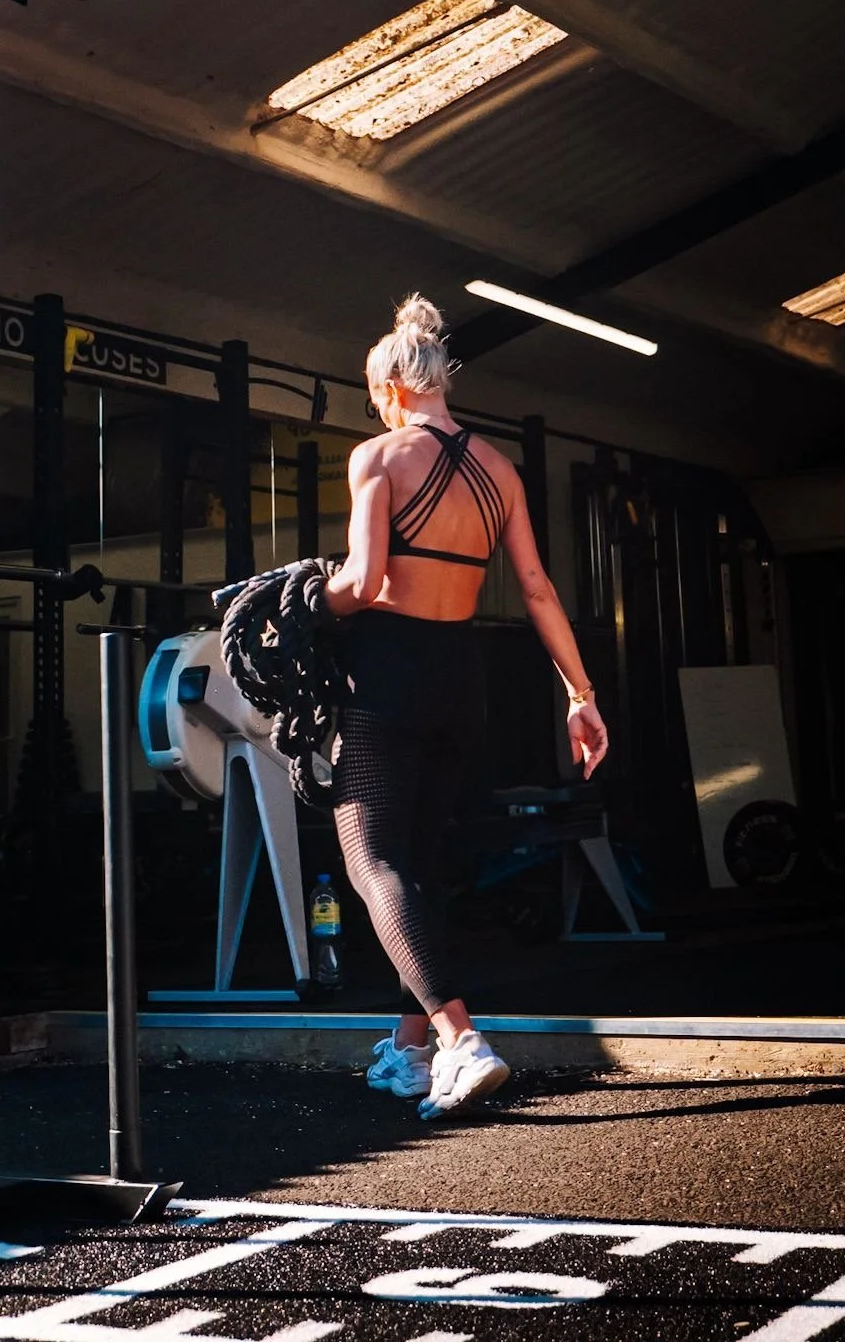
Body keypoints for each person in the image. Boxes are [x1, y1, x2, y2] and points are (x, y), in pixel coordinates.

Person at [324, 293, 609, 1120]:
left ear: (390, 388)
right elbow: (535, 588)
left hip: (386, 671)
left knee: (370, 860)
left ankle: (459, 1040)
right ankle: (411, 1049)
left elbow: (364, 583)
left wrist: (298, 600)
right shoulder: (500, 469)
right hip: (462, 675)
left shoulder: (378, 457)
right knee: (420, 861)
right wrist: (579, 696)